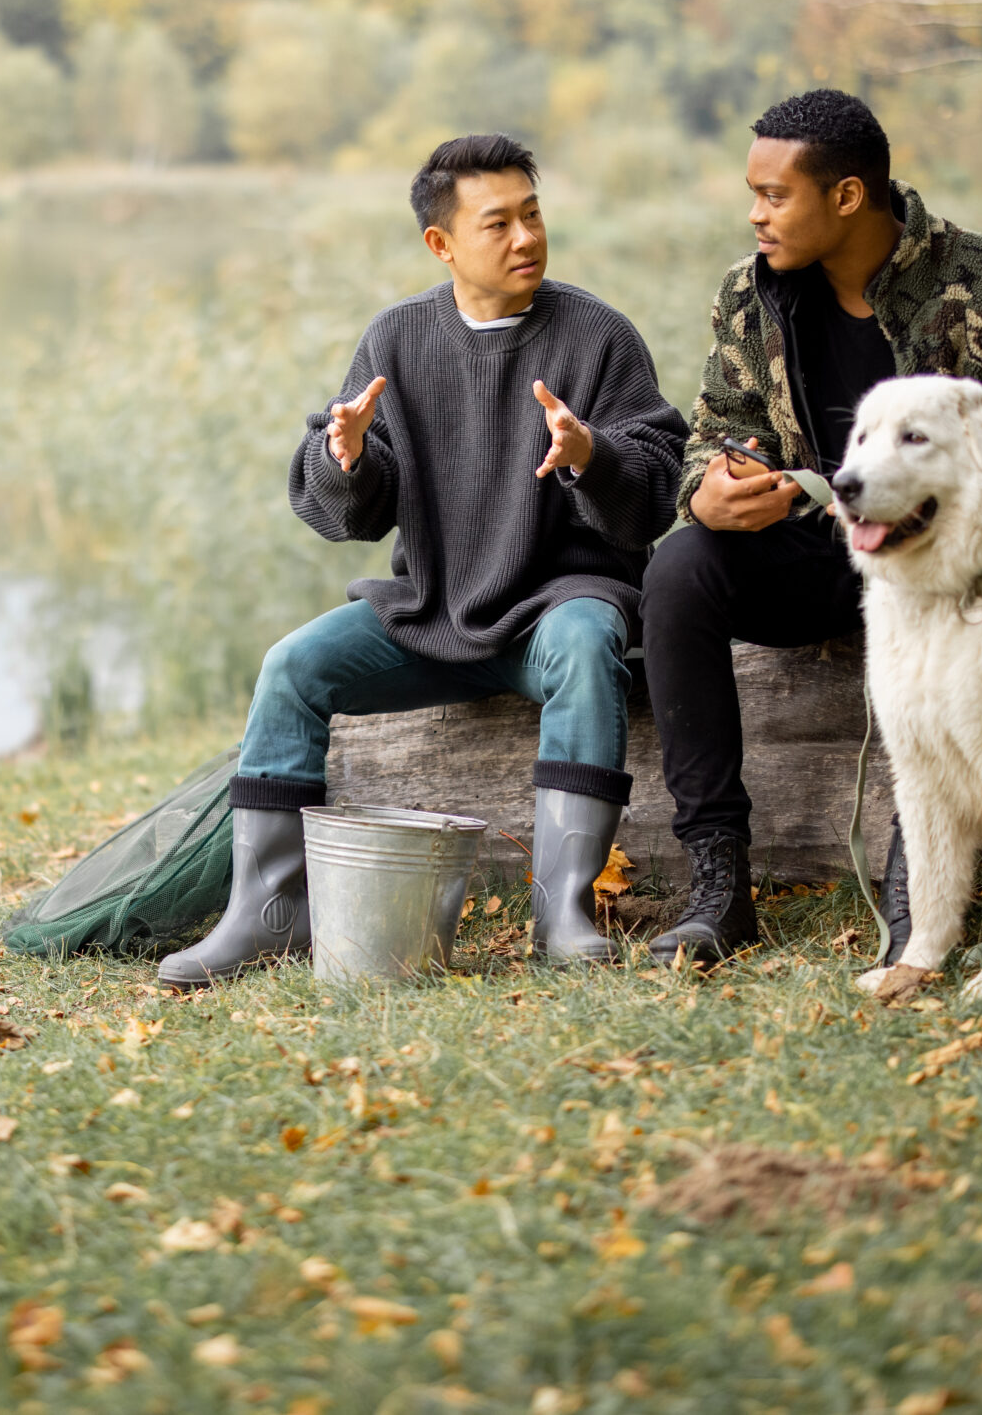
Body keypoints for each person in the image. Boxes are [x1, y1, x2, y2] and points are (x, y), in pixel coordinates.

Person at [158, 133, 690, 988]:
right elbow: (345, 512)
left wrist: (592, 453)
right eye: (498, 224)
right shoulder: (397, 339)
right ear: (441, 244)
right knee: (292, 666)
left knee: (590, 639)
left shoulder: (598, 336)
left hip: (557, 607)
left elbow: (657, 490)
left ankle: (562, 910)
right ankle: (269, 914)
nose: (526, 238)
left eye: (533, 214)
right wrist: (349, 456)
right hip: (431, 606)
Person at [640, 89, 982, 966]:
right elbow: (712, 432)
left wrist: (947, 531)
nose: (755, 214)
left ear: (846, 196)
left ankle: (918, 893)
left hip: (948, 566)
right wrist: (708, 493)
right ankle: (720, 885)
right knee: (679, 570)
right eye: (753, 193)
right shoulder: (748, 293)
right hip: (817, 548)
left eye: (775, 195)